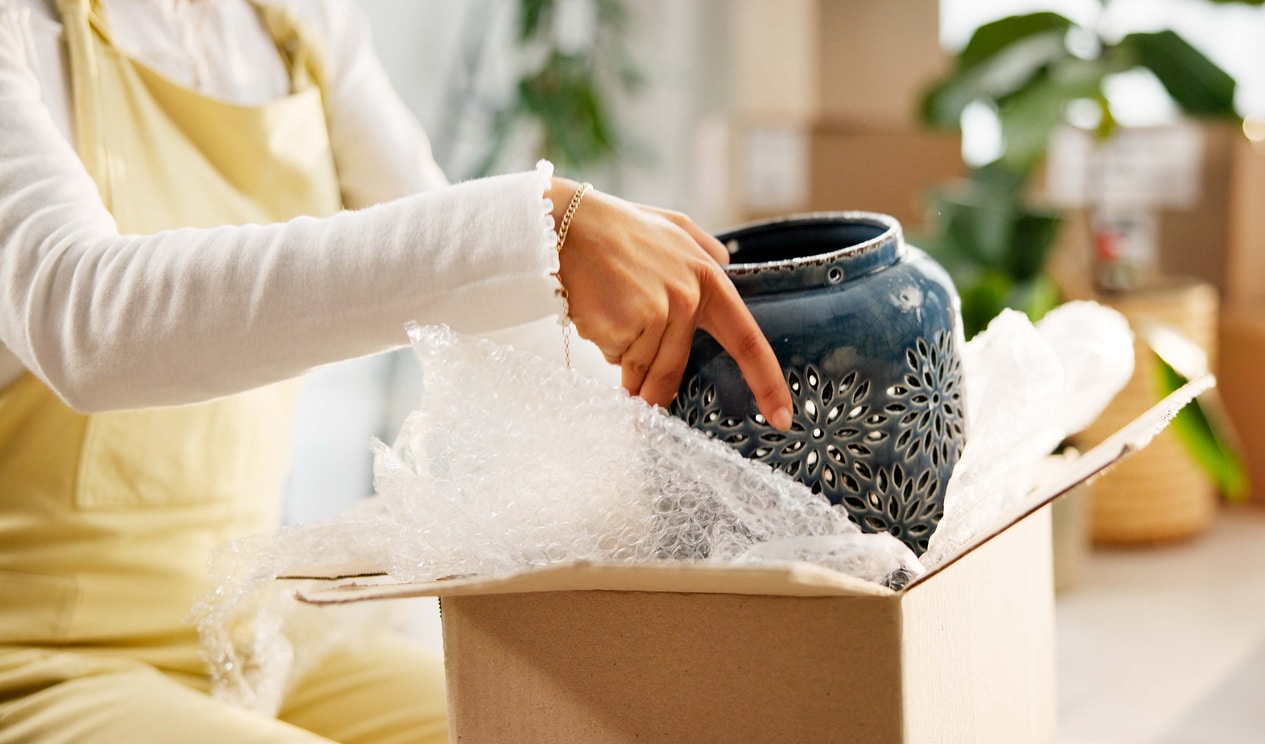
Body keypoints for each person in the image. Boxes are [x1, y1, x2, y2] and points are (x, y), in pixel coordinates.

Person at [0, 0, 791, 741]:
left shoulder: (291, 23)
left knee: (582, 726)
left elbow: (491, 298)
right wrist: (534, 225)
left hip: (245, 624)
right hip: (36, 658)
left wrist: (695, 459)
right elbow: (85, 321)